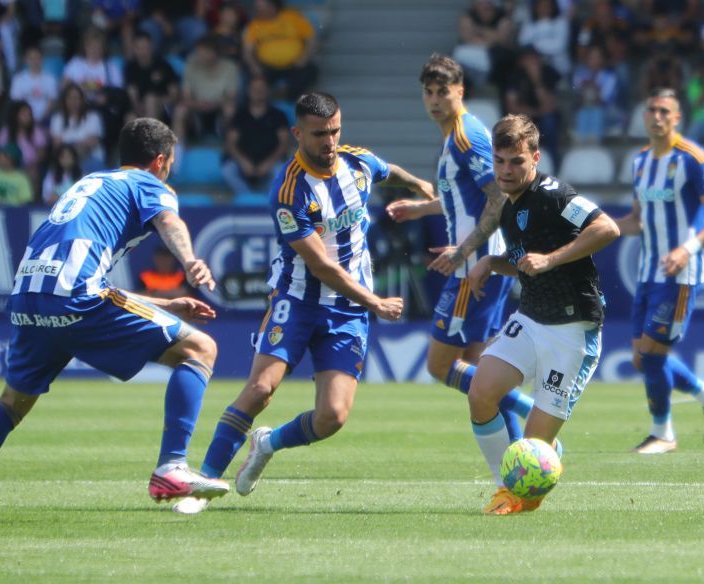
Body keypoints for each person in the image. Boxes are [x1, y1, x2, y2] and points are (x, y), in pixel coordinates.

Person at [172, 91, 433, 515]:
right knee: (260, 389)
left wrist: (418, 183)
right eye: (318, 135)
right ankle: (201, 486)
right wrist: (376, 303)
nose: (329, 142)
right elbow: (322, 267)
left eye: (335, 131)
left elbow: (389, 170)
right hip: (298, 300)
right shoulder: (289, 191)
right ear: (297, 133)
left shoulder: (357, 162)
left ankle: (267, 444)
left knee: (332, 416)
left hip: (346, 311)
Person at [0, 118, 229, 504]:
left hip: (28, 294)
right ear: (159, 161)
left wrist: (165, 304)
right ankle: (171, 467)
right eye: (169, 164)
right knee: (200, 349)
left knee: (11, 404)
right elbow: (169, 221)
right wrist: (189, 260)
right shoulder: (148, 184)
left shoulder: (90, 182)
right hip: (74, 296)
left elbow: (88, 282)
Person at [465, 114, 620, 515]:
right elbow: (524, 261)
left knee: (533, 464)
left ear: (535, 157)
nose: (507, 170)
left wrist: (552, 259)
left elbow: (607, 229)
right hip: (532, 319)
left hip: (573, 328)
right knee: (481, 393)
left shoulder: (554, 196)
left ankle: (529, 482)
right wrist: (491, 263)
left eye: (516, 161)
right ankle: (504, 488)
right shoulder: (505, 205)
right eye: (500, 161)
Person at [386, 54, 533, 444]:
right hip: (479, 264)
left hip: (473, 268)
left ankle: (532, 412)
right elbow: (464, 199)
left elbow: (498, 198)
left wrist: (462, 250)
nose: (434, 100)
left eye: (443, 92)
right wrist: (421, 208)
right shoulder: (454, 135)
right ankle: (522, 455)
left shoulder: (467, 136)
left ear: (460, 92)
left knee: (441, 365)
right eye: (428, 92)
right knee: (478, 370)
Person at [613, 88, 704, 455]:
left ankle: (663, 433)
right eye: (651, 110)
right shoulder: (639, 161)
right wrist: (601, 229)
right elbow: (637, 219)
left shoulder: (692, 159)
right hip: (648, 271)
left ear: (677, 118)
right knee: (643, 357)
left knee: (651, 354)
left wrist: (687, 248)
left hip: (681, 274)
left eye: (665, 111)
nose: (657, 116)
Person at [221, 75, 290, 196]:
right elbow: (231, 143)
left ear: (268, 91)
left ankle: (267, 200)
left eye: (261, 89)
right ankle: (247, 199)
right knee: (228, 170)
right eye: (254, 89)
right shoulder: (239, 115)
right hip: (243, 162)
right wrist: (243, 161)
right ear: (248, 91)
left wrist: (268, 162)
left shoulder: (279, 115)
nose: (258, 92)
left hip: (270, 161)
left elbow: (284, 144)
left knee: (280, 171)